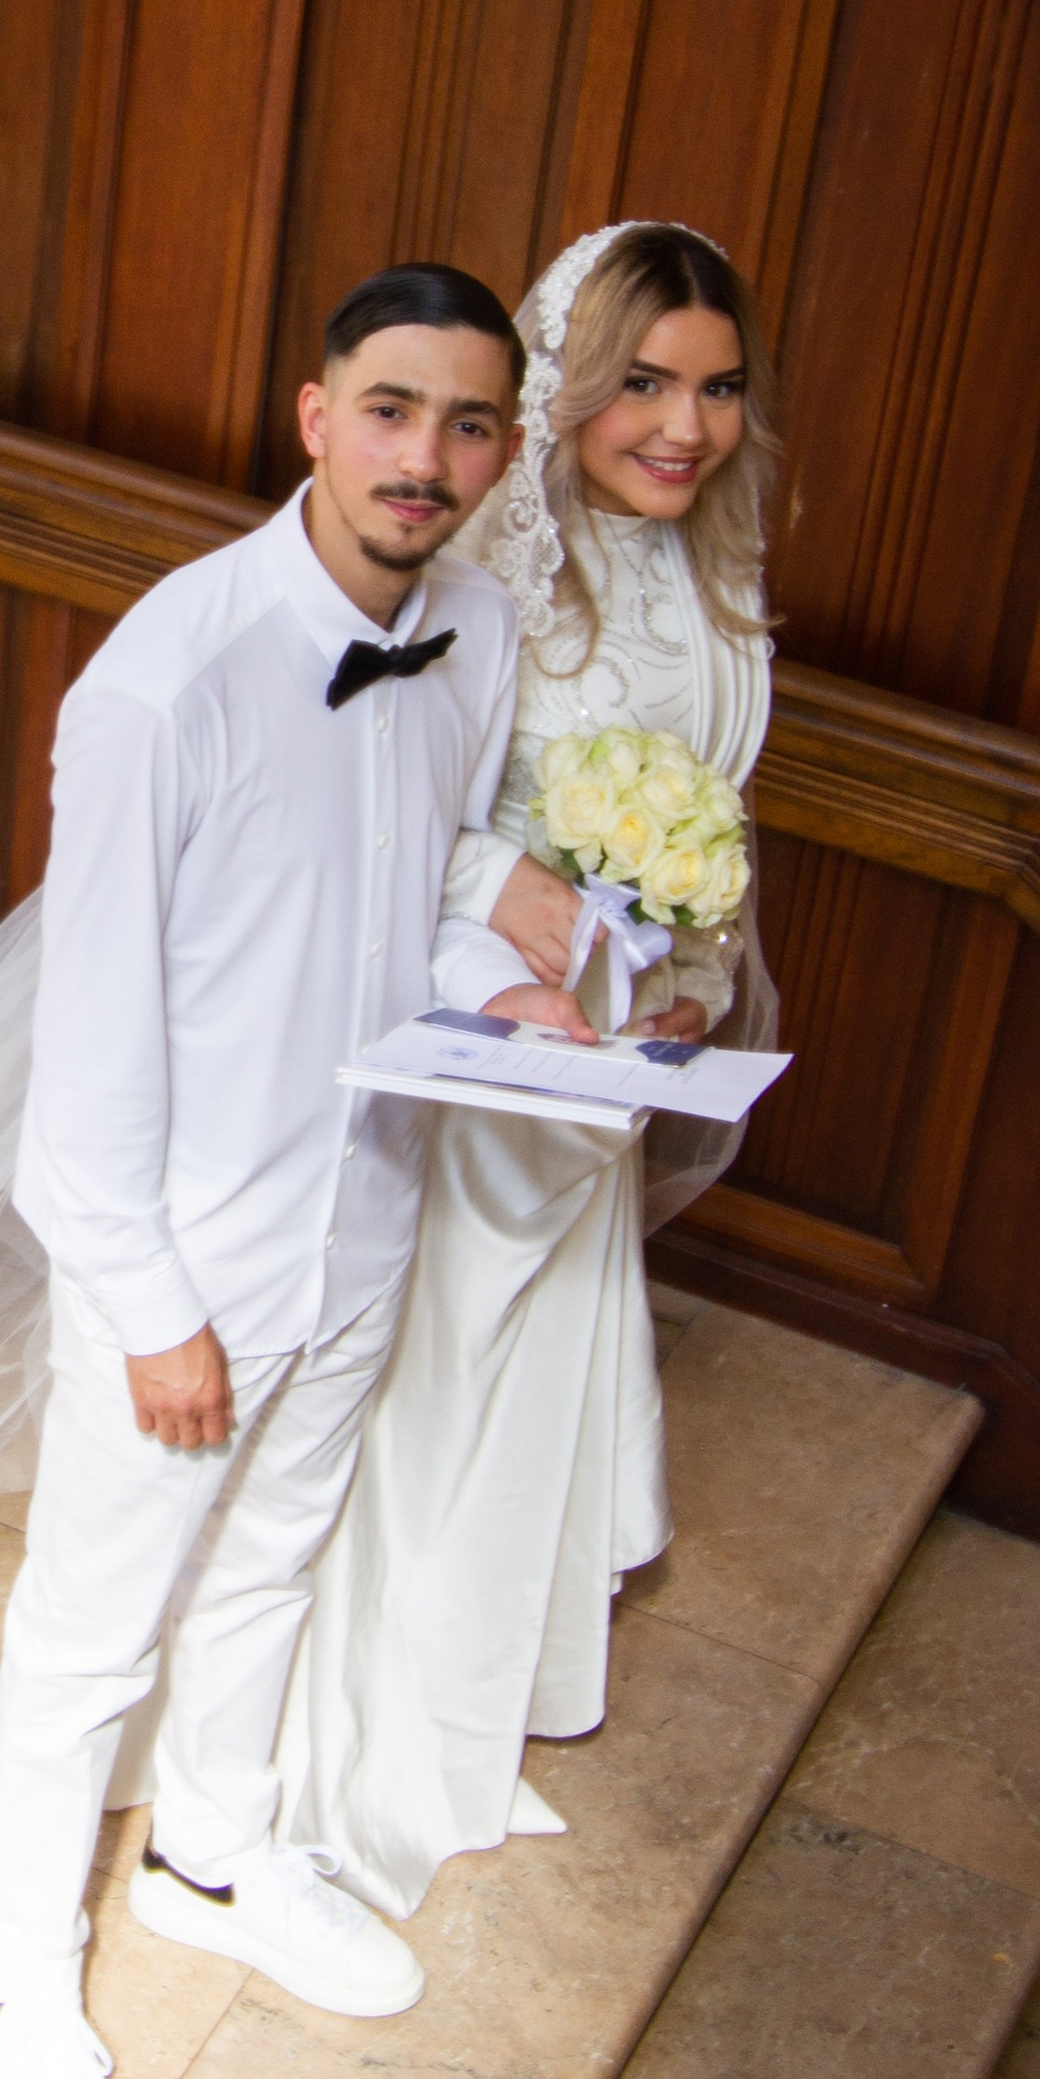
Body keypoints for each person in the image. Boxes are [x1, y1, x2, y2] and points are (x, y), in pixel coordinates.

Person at [0, 262, 598, 2079]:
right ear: (314, 416)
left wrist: (505, 986)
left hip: (365, 1195)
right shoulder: (170, 672)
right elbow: (94, 1030)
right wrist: (148, 1301)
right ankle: (9, 1970)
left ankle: (211, 1855)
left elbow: (408, 895)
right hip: (187, 1235)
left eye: (470, 424)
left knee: (279, 1551)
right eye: (392, 411)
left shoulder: (471, 629)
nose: (430, 457)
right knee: (94, 1623)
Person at [284, 221, 779, 1909]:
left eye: (716, 389)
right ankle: (351, 1712)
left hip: (607, 1060)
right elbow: (353, 811)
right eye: (641, 381)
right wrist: (508, 931)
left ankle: (487, 1675)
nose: (683, 427)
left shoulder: (718, 578)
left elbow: (712, 825)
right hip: (476, 1034)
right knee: (423, 1373)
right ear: (563, 386)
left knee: (536, 1358)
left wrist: (694, 979)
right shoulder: (466, 571)